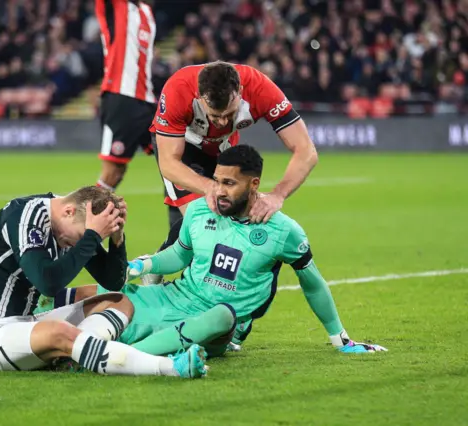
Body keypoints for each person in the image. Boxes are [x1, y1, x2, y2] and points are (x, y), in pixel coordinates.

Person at [47, 146, 387, 356]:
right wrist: (143, 263)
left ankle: (124, 356)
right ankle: (33, 317)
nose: (218, 191)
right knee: (106, 292)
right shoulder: (199, 210)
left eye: (229, 183)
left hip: (216, 323)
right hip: (174, 297)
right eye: (217, 180)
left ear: (254, 185)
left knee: (224, 315)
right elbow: (179, 256)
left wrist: (339, 338)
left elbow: (312, 283)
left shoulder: (283, 231)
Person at [0, 186, 207, 377]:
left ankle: (76, 355)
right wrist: (91, 237)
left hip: (22, 318)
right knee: (61, 332)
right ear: (69, 210)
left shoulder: (69, 225)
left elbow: (115, 282)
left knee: (117, 300)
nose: (77, 245)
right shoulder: (26, 217)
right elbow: (48, 282)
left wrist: (115, 237)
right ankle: (168, 368)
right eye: (82, 236)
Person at [145, 60, 318, 284]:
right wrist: (211, 187)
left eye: (230, 114)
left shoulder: (260, 88)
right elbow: (169, 163)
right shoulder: (178, 89)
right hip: (180, 149)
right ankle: (192, 294)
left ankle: (156, 264)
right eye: (214, 116)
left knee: (225, 215)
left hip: (221, 148)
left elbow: (306, 150)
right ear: (199, 97)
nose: (222, 121)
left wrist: (277, 195)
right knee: (208, 222)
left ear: (241, 93)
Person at [94, 0, 157, 192]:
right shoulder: (116, 6)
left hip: (148, 100)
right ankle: (84, 218)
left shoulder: (147, 12)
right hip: (121, 98)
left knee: (178, 156)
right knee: (113, 172)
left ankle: (185, 216)